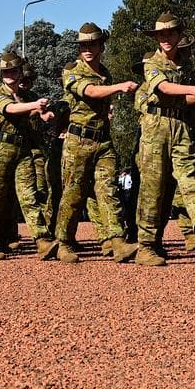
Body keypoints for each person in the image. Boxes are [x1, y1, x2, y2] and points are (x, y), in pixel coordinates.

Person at [133, 13, 195, 267]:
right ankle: (146, 245)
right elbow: (163, 88)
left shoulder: (185, 65)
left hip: (181, 126)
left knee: (192, 182)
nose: (166, 38)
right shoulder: (151, 62)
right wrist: (193, 89)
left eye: (170, 33)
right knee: (153, 188)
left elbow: (184, 99)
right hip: (156, 127)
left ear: (179, 35)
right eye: (161, 34)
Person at [53, 23, 140, 263]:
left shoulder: (104, 73)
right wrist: (119, 87)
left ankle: (117, 241)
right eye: (83, 45)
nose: (87, 49)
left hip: (103, 141)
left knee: (108, 190)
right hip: (78, 141)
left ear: (102, 46)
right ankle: (64, 242)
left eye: (92, 44)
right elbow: (90, 91)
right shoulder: (72, 71)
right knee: (74, 193)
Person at [0, 53, 59, 261]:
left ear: (21, 72)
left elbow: (32, 112)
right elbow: (10, 108)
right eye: (5, 71)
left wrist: (43, 113)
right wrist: (35, 106)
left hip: (23, 150)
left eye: (13, 71)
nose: (9, 75)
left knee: (29, 195)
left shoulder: (27, 96)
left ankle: (42, 240)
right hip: (0, 150)